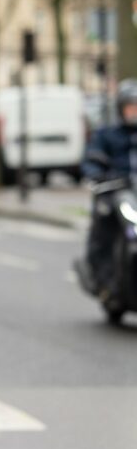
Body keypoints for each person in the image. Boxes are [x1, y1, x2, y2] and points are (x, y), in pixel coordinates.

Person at [78, 79, 137, 291]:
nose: (134, 112)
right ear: (121, 108)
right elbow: (92, 160)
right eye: (131, 107)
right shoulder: (107, 134)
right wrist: (97, 175)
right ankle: (102, 279)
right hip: (116, 192)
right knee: (104, 224)